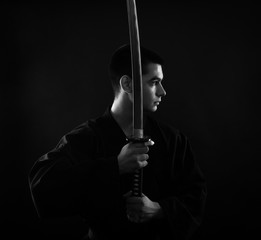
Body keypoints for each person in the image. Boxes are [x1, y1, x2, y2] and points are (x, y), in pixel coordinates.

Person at [29, 44, 207, 240]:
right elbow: (42, 186)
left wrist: (158, 209)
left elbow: (196, 196)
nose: (163, 92)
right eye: (154, 82)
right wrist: (115, 166)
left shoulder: (173, 139)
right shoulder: (87, 137)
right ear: (128, 85)